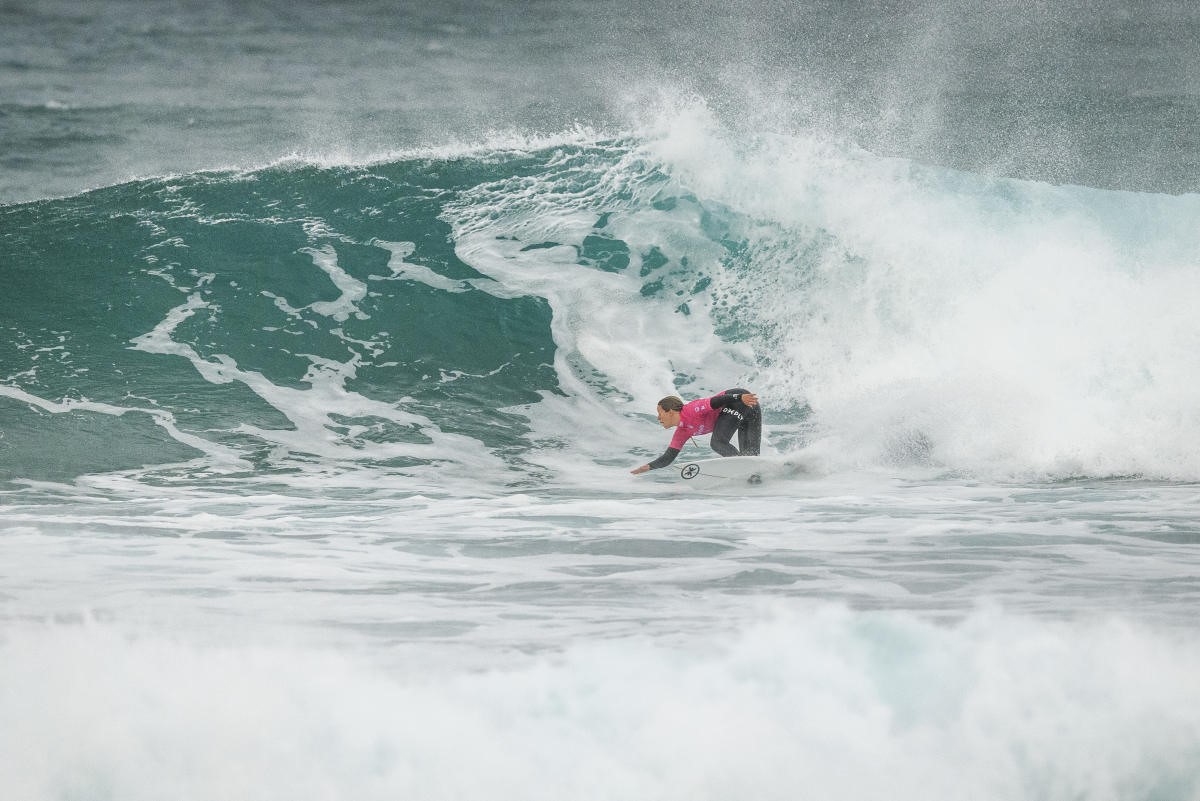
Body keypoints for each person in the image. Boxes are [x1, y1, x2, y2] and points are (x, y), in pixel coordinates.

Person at [630, 388, 761, 474]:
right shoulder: (682, 432)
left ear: (670, 412)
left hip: (741, 401)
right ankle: (754, 477)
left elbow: (716, 401)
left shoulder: (691, 410)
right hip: (746, 409)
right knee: (751, 459)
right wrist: (647, 467)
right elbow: (668, 457)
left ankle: (744, 468)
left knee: (718, 443)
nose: (658, 418)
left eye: (660, 413)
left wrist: (740, 397)